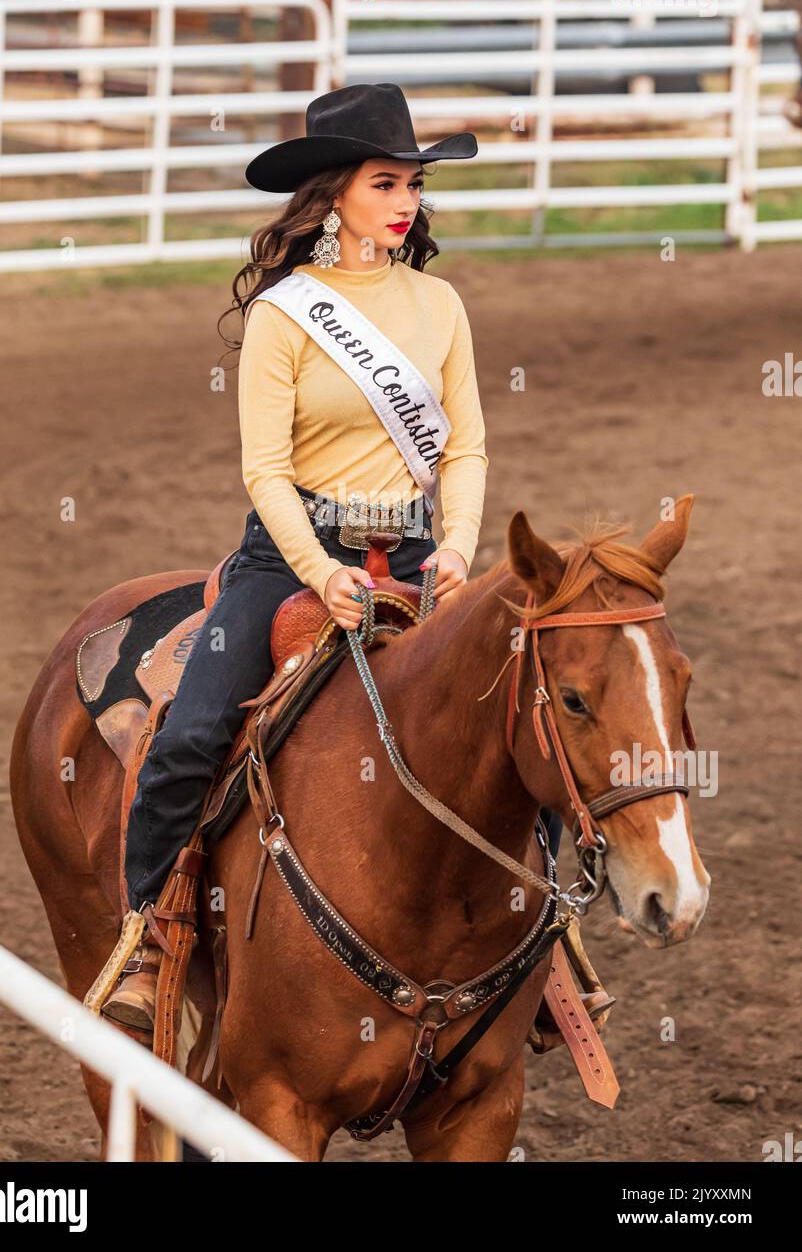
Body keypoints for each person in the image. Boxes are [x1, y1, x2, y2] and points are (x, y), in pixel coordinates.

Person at [102, 83, 575, 1035]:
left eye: (413, 185)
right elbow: (264, 470)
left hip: (412, 550)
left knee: (532, 716)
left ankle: (545, 950)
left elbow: (467, 449)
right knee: (193, 732)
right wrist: (320, 573)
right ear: (333, 197)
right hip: (291, 557)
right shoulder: (286, 316)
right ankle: (148, 937)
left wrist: (454, 548)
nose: (405, 202)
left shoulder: (440, 306)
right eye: (385, 182)